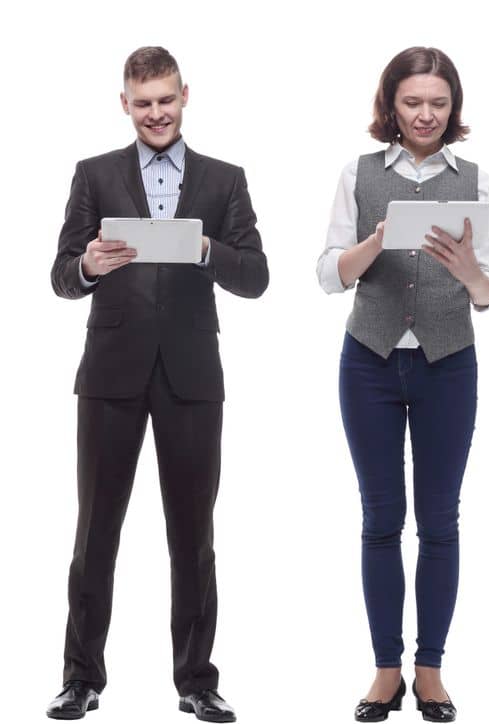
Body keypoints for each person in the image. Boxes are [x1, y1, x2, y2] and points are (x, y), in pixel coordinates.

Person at [46, 46, 269, 723]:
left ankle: (197, 682)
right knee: (96, 533)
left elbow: (256, 276)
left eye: (165, 99)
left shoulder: (224, 181)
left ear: (185, 96)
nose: (156, 113)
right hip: (111, 374)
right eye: (142, 102)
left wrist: (206, 249)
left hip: (193, 378)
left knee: (192, 535)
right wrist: (85, 263)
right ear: (125, 104)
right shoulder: (95, 175)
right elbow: (60, 276)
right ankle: (81, 678)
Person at [316, 46, 489, 724]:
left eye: (439, 103)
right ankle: (384, 670)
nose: (426, 114)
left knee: (441, 521)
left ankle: (431, 671)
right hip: (367, 358)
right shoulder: (357, 173)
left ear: (453, 109)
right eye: (413, 102)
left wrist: (466, 270)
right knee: (379, 520)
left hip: (448, 361)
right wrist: (373, 244)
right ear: (391, 106)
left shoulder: (476, 180)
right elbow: (328, 273)